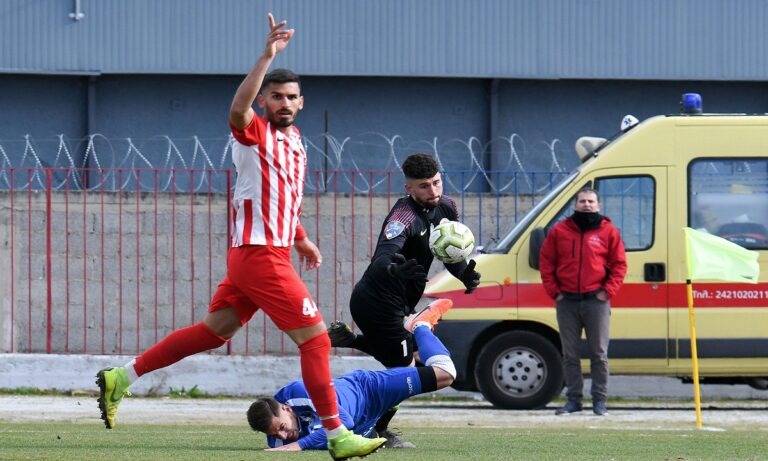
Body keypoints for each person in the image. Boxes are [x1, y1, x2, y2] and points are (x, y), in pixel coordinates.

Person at [94, 13, 386, 460]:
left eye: (290, 97)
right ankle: (336, 434)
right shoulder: (255, 133)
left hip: (261, 254)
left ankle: (124, 377)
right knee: (317, 340)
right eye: (275, 96)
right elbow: (236, 109)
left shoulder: (297, 142)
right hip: (259, 255)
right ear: (265, 101)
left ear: (301, 102)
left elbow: (283, 198)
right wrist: (267, 57)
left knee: (214, 332)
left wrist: (302, 237)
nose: (283, 103)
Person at [327, 152, 480, 446]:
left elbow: (447, 251)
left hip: (401, 304)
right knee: (404, 371)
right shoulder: (402, 216)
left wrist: (463, 273)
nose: (433, 191)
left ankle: (354, 342)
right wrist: (396, 267)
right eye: (424, 186)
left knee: (408, 360)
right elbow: (384, 255)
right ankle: (375, 432)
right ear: (409, 188)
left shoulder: (447, 206)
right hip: (376, 303)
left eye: (436, 183)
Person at [247, 304, 456, 451]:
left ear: (286, 408)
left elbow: (342, 422)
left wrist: (299, 445)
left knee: (445, 374)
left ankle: (420, 326)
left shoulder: (298, 394)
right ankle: (381, 429)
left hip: (369, 390)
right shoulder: (275, 437)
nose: (283, 437)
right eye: (275, 435)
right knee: (411, 365)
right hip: (363, 423)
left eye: (282, 428)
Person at [539, 187, 627, 416]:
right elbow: (546, 263)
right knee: (570, 354)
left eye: (591, 201)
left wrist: (607, 292)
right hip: (566, 301)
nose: (586, 205)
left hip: (596, 301)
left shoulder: (608, 232)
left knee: (598, 353)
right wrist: (554, 292)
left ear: (598, 205)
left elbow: (619, 265)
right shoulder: (559, 231)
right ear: (575, 205)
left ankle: (600, 401)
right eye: (582, 201)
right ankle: (574, 400)